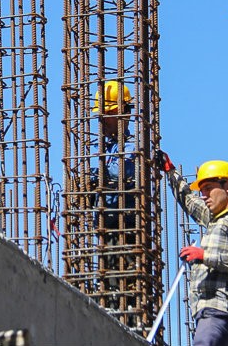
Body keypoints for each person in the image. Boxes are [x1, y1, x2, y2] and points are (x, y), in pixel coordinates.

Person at [156, 151, 228, 346]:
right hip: (206, 311)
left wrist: (205, 255)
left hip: (222, 309)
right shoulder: (215, 219)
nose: (203, 195)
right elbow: (189, 200)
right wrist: (170, 171)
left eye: (208, 189)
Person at [90, 80, 137, 311]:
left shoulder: (133, 147)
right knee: (106, 288)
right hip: (105, 227)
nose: (100, 121)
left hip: (126, 230)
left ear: (120, 113)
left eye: (105, 115)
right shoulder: (105, 147)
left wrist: (97, 174)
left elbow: (122, 173)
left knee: (124, 289)